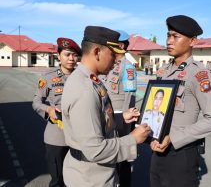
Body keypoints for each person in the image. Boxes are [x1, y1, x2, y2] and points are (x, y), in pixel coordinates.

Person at [61, 26, 151, 187]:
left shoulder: (88, 79)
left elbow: (94, 118)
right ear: (97, 52)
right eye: (113, 54)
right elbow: (96, 150)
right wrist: (133, 139)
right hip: (90, 178)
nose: (117, 60)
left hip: (90, 173)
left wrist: (120, 117)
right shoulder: (85, 89)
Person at [150, 15, 211, 187]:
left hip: (180, 154)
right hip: (156, 149)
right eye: (168, 35)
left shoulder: (198, 74)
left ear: (192, 41)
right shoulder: (163, 72)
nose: (169, 41)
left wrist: (174, 138)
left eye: (176, 36)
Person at [32, 37, 81, 187]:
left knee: (76, 180)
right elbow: (36, 102)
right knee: (57, 181)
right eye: (67, 54)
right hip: (57, 137)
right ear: (59, 56)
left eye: (74, 55)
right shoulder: (48, 78)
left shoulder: (83, 77)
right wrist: (48, 109)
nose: (71, 59)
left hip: (79, 136)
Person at [99, 29, 136, 187]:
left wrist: (125, 122)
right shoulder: (109, 64)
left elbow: (130, 96)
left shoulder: (128, 67)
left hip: (122, 117)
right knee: (111, 154)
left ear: (120, 45)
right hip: (109, 116)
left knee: (124, 157)